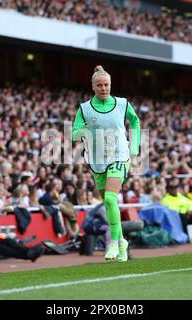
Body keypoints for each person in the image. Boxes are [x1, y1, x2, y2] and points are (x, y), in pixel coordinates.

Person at [71, 65, 141, 262]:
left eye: (107, 85)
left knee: (110, 199)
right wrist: (84, 131)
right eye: (100, 85)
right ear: (93, 86)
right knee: (109, 204)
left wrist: (134, 147)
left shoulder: (122, 104)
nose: (104, 88)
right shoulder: (85, 108)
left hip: (120, 155)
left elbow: (135, 122)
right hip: (97, 159)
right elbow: (74, 133)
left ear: (111, 85)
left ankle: (113, 243)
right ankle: (122, 242)